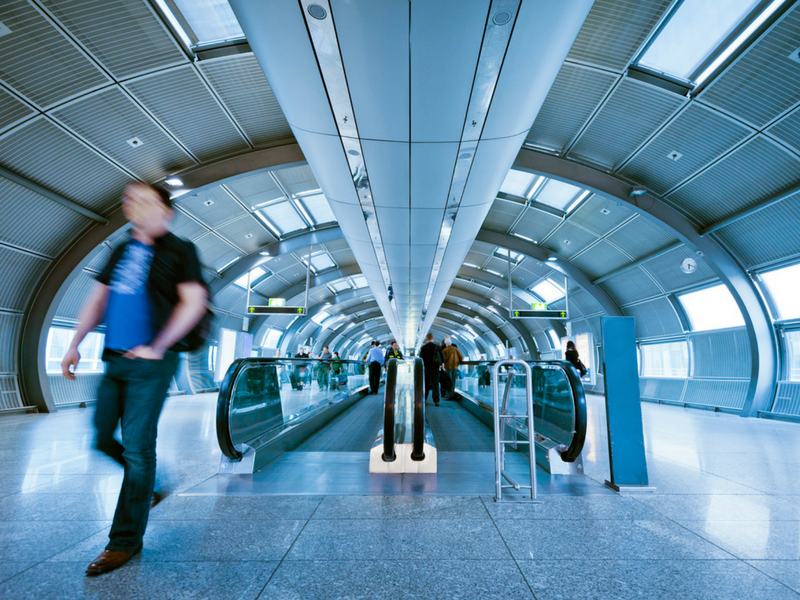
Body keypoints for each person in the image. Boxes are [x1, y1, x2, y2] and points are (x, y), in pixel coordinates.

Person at [60, 183, 208, 576]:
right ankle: (151, 484)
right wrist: (74, 344)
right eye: (129, 200)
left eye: (144, 200)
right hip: (114, 360)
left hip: (152, 364)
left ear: (166, 211)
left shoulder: (180, 250)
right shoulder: (121, 249)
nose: (133, 206)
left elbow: (193, 303)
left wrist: (158, 346)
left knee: (138, 450)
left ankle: (124, 541)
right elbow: (98, 299)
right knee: (102, 438)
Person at [419, 333, 444, 407]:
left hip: (426, 369)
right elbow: (442, 358)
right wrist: (442, 367)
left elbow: (421, 359)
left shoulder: (424, 348)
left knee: (425, 384)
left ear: (426, 339)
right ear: (433, 338)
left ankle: (424, 399)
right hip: (435, 368)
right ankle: (436, 400)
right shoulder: (437, 347)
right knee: (435, 384)